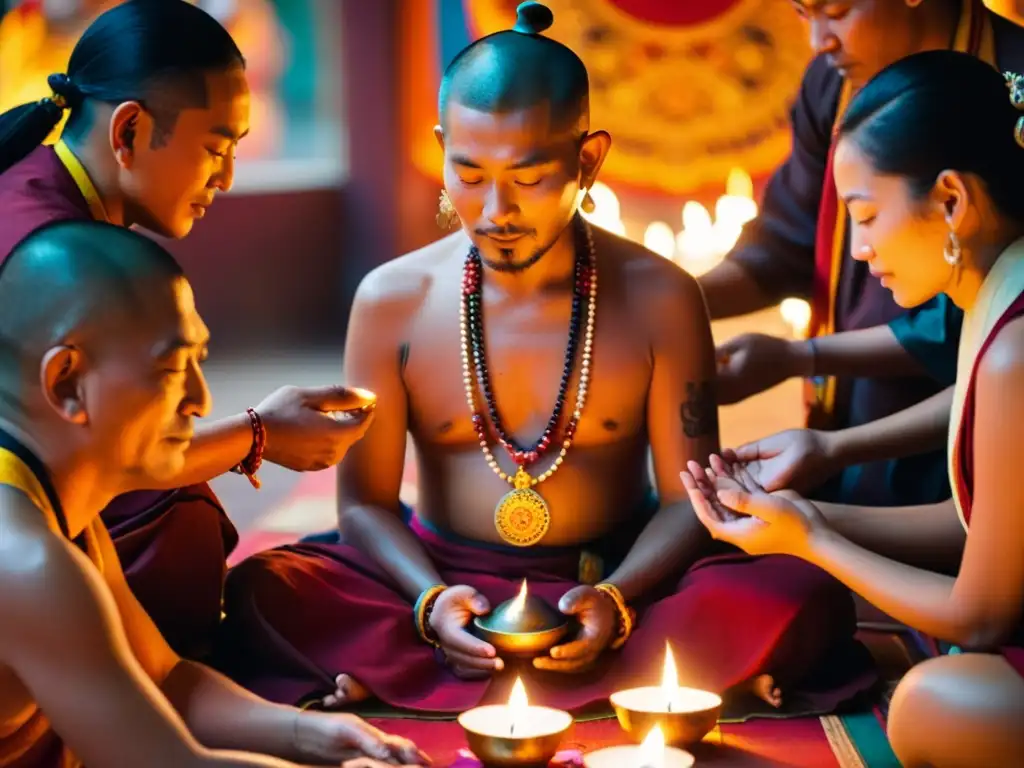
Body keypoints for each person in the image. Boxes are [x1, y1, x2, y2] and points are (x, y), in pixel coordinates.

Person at [216, 1, 875, 716]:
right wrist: (429, 600)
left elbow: (691, 500)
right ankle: (651, 676)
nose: (495, 208)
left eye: (527, 177)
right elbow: (366, 508)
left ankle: (407, 675)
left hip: (611, 573)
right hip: (443, 577)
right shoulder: (392, 298)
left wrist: (620, 600)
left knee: (797, 591)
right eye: (468, 173)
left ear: (587, 158)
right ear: (442, 148)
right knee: (263, 592)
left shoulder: (661, 297)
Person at [0, 0, 376, 662]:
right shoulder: (53, 253)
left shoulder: (47, 193)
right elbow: (92, 469)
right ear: (130, 130)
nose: (225, 178)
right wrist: (259, 433)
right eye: (215, 148)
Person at [684, 51, 1024, 768]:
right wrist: (818, 490)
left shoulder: (1013, 348)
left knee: (928, 704)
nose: (860, 251)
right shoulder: (999, 299)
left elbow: (983, 610)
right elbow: (980, 523)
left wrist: (812, 539)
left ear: (953, 201)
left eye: (865, 217)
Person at [0, 221, 427, 768]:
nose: (202, 400)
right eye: (174, 368)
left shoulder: (52, 499)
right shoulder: (25, 558)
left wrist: (310, 734)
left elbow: (165, 679)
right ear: (66, 382)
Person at [704, 0, 1024, 508]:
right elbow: (788, 241)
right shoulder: (831, 86)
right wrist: (670, 301)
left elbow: (982, 329)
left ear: (952, 198)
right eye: (804, 14)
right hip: (850, 421)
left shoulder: (1015, 86)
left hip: (972, 437)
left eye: (836, 9)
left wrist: (799, 356)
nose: (819, 41)